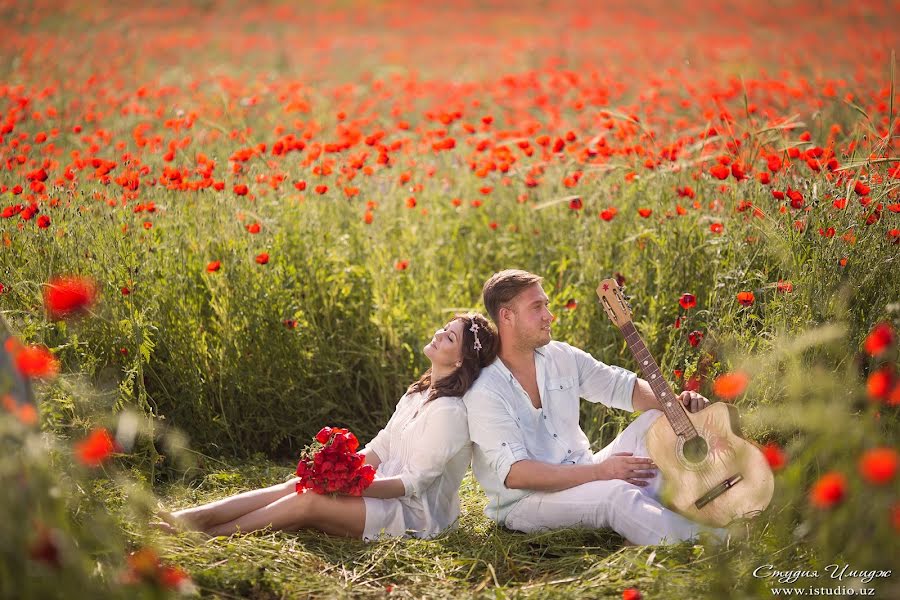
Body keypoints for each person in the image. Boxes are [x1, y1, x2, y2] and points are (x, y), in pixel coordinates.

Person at [156, 313, 498, 541]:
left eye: (449, 337)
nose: (439, 334)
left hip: (415, 517)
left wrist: (352, 485)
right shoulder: (419, 392)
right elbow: (381, 448)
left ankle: (207, 535)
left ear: (460, 360)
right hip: (381, 493)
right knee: (301, 483)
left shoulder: (450, 412)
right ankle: (190, 516)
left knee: (310, 503)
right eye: (444, 328)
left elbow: (412, 484)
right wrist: (336, 467)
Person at [464, 269, 726, 546]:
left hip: (583, 469)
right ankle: (714, 544)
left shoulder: (560, 356)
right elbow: (517, 475)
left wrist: (678, 406)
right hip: (528, 501)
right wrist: (602, 473)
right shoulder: (486, 390)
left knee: (655, 421)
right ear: (507, 316)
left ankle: (689, 511)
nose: (549, 316)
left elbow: (625, 388)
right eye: (537, 307)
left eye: (547, 305)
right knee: (615, 496)